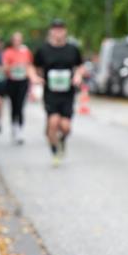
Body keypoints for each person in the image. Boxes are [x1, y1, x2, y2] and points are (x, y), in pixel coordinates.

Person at [31, 19, 84, 166]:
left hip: (67, 94)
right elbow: (32, 67)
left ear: (65, 31)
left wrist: (78, 76)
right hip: (51, 93)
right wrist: (35, 77)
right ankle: (54, 152)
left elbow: (80, 66)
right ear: (51, 31)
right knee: (53, 122)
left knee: (66, 127)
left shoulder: (73, 49)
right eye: (55, 29)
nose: (58, 32)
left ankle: (61, 141)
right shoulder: (43, 50)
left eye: (61, 29)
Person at [2, 31, 33, 144]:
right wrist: (14, 66)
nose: (17, 42)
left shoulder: (26, 52)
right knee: (14, 105)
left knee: (20, 105)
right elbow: (5, 67)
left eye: (19, 40)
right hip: (12, 81)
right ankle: (14, 126)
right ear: (12, 41)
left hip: (23, 81)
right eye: (15, 40)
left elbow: (30, 66)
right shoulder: (8, 52)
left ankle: (20, 129)